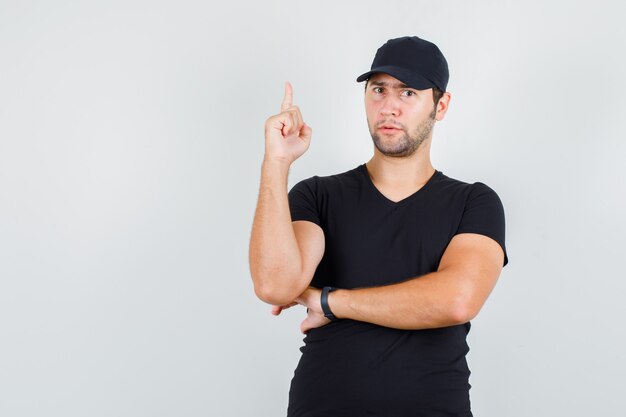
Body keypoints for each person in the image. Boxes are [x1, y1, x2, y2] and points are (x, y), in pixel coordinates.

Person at [249, 36, 508, 417]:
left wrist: (328, 301)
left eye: (407, 93)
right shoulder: (319, 194)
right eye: (378, 90)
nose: (388, 106)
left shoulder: (474, 202)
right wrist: (276, 162)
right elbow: (275, 285)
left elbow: (457, 300)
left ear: (441, 105)